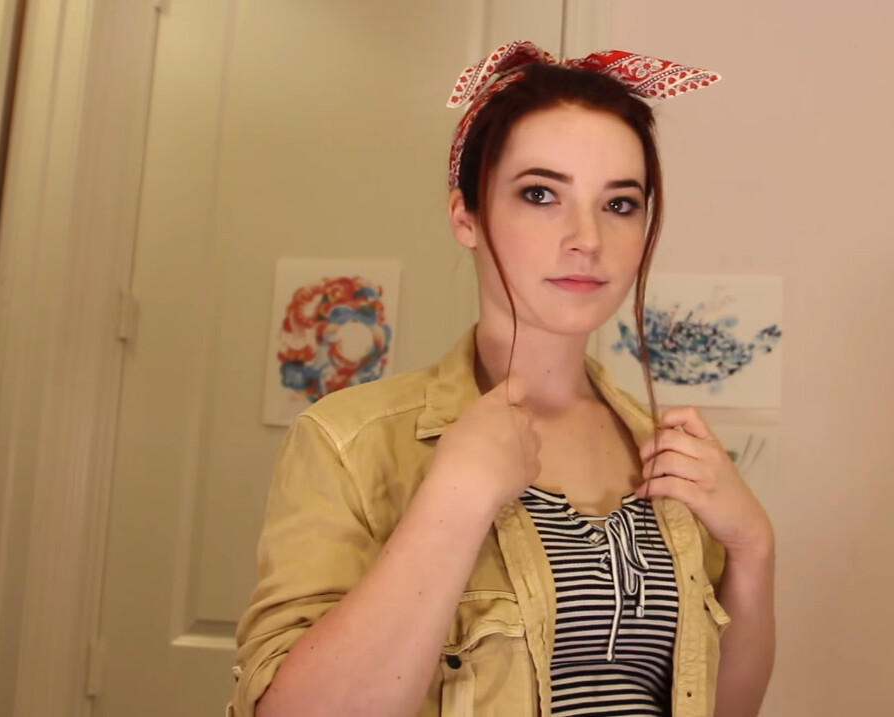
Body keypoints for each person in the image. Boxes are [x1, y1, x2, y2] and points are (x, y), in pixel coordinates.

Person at [229, 41, 775, 717]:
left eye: (620, 203)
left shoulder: (669, 455)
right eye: (540, 194)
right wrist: (455, 500)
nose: (587, 238)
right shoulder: (349, 443)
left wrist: (753, 549)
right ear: (466, 215)